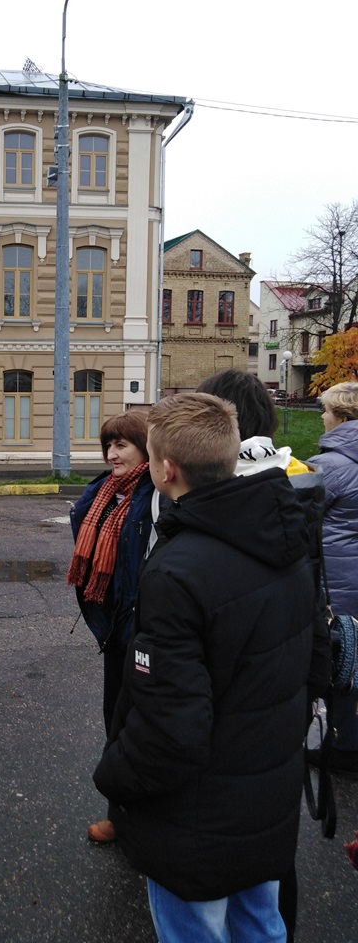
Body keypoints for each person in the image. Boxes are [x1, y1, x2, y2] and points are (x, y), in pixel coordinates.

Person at [94, 393, 328, 943]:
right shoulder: (287, 536)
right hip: (266, 793)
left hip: (196, 816)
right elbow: (313, 663)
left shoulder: (177, 569)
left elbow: (169, 728)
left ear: (166, 470)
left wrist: (115, 777)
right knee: (261, 924)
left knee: (197, 931)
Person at [197, 369, 330, 943]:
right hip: (287, 684)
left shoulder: (218, 493)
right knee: (273, 839)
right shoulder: (295, 480)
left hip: (229, 695)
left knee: (217, 836)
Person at [67, 411, 155, 844]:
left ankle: (146, 818)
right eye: (108, 446)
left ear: (145, 447)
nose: (112, 454)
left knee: (146, 725)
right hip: (115, 630)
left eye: (122, 445)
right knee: (115, 721)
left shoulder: (155, 494)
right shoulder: (103, 491)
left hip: (146, 628)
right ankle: (120, 815)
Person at [306, 381, 358, 776]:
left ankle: (343, 746)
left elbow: (296, 517)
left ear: (340, 417)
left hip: (337, 581)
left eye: (325, 410)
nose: (322, 417)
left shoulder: (330, 467)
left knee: (342, 659)